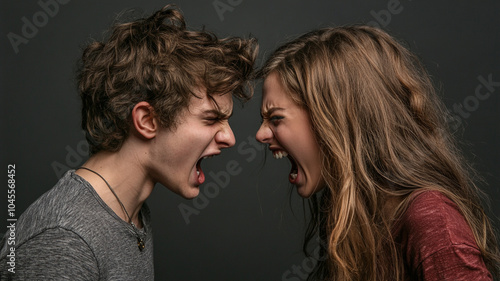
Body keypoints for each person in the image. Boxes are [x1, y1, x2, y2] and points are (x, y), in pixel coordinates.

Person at [0, 4, 257, 280]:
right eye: (210, 119)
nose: (230, 137)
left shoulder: (133, 216)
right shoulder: (64, 241)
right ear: (147, 120)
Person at [256, 25, 499, 280]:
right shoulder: (357, 220)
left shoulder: (432, 220)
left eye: (275, 118)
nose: (260, 135)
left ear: (335, 120)